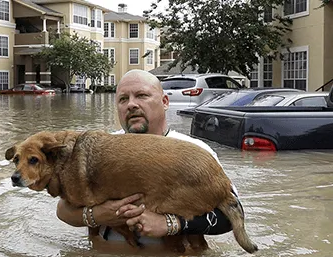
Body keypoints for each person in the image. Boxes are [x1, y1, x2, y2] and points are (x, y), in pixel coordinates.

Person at [56, 69, 243, 245]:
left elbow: (232, 215)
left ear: (165, 101)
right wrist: (96, 215)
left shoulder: (195, 152)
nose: (131, 104)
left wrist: (170, 224)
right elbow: (63, 210)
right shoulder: (97, 150)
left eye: (141, 95)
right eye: (123, 99)